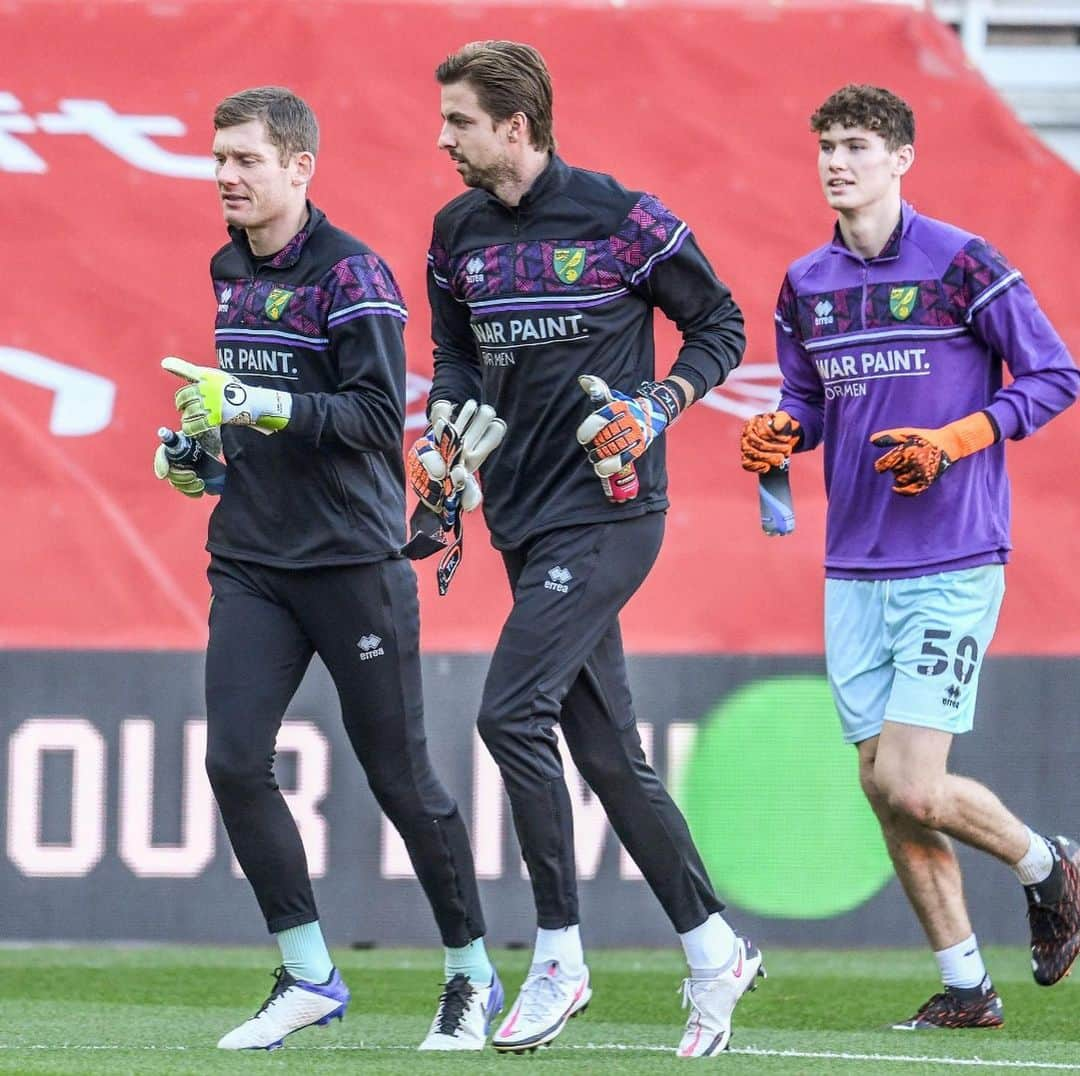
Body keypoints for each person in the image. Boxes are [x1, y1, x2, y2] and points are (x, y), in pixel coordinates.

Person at [412, 40, 762, 1058]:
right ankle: (713, 945)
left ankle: (559, 951)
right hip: (520, 515)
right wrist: (441, 438)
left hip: (611, 513)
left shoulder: (624, 217)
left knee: (508, 711)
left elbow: (721, 322)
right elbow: (457, 356)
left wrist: (657, 405)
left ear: (515, 126)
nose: (443, 139)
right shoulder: (457, 232)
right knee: (608, 754)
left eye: (461, 123)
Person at [153, 85, 502, 1052]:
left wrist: (255, 402)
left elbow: (375, 422)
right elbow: (250, 419)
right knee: (230, 760)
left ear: (299, 168)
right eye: (219, 157)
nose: (226, 175)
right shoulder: (228, 267)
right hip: (252, 563)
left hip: (352, 563)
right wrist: (202, 459)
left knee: (399, 778)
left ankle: (471, 973)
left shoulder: (355, 278)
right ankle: (309, 973)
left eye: (246, 160)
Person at [741, 83, 1080, 1030]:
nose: (836, 162)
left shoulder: (963, 263)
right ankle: (968, 984)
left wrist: (954, 440)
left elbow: (1056, 375)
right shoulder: (805, 281)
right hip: (854, 566)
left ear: (901, 158)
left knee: (913, 783)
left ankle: (1051, 865)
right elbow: (807, 404)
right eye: (826, 145)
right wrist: (779, 434)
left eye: (855, 144)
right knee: (882, 790)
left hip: (955, 556)